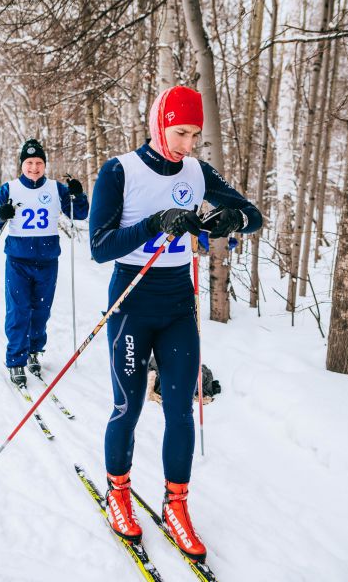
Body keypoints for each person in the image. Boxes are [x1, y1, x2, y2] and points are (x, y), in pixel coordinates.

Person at [89, 86, 262, 562]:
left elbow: (253, 216)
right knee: (128, 406)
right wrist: (153, 223)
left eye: (195, 135)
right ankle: (118, 492)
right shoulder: (120, 170)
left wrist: (228, 221)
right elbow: (100, 247)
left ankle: (176, 504)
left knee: (180, 409)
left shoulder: (197, 170)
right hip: (131, 300)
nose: (188, 144)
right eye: (180, 132)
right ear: (159, 123)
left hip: (178, 307)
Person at [0, 139, 89, 388]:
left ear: (45, 165)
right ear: (22, 165)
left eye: (39, 163)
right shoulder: (9, 188)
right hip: (18, 261)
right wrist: (1, 214)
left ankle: (34, 350)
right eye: (29, 163)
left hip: (47, 261)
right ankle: (16, 361)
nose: (34, 167)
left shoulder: (55, 189)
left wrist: (78, 194)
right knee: (19, 310)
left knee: (41, 311)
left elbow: (80, 213)